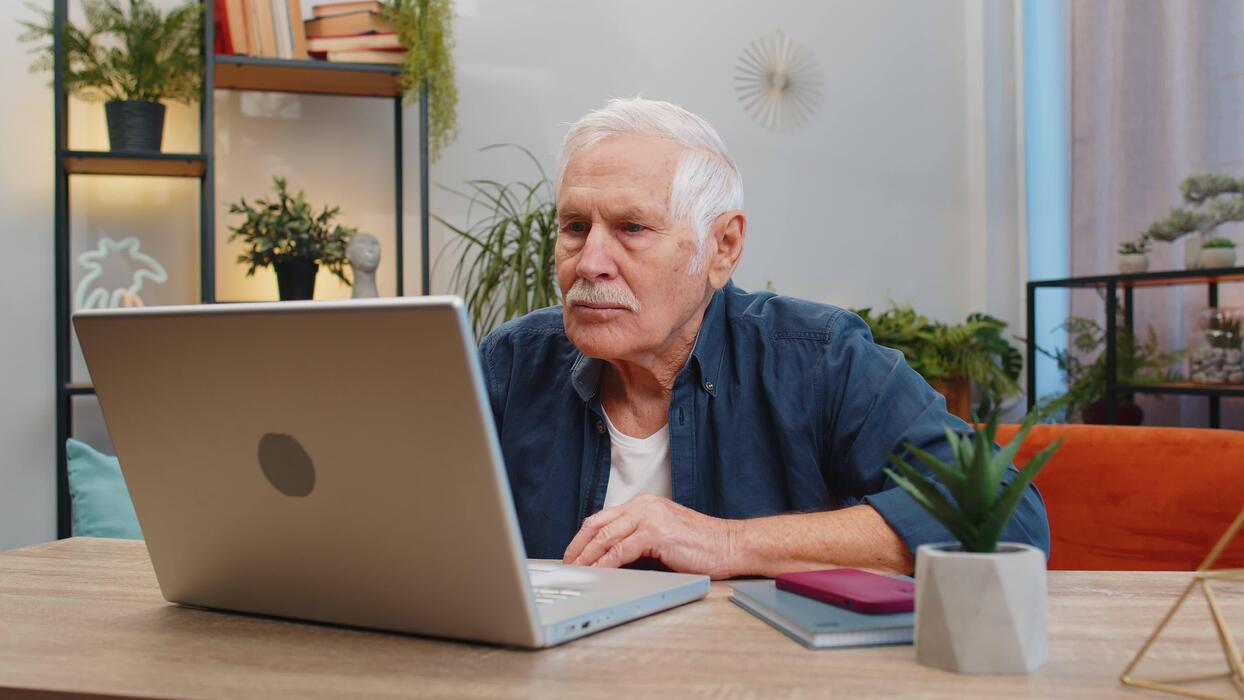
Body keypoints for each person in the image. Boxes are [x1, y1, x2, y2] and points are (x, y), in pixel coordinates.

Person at [479, 98, 1048, 579]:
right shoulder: (508, 364)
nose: (591, 262)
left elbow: (1003, 511)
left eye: (632, 228)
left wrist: (726, 543)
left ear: (722, 248)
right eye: (576, 227)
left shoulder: (816, 357)